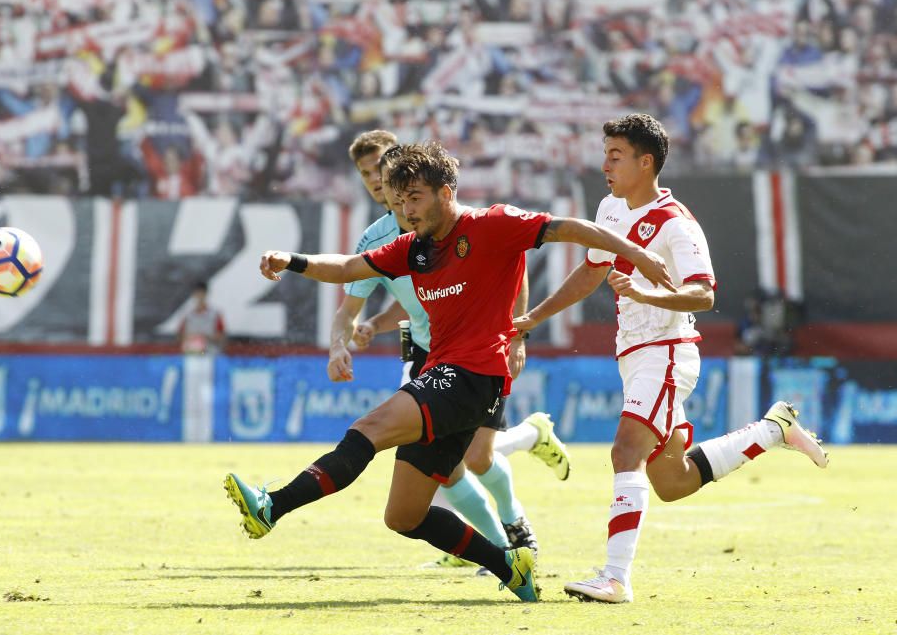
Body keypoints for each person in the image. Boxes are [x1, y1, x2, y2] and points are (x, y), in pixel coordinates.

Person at [224, 141, 674, 602]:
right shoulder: (412, 248)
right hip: (449, 373)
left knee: (370, 428)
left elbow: (573, 229)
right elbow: (348, 267)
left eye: (414, 198)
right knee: (403, 516)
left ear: (445, 191)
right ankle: (509, 564)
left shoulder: (492, 224)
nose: (407, 211)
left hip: (474, 373)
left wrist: (635, 254)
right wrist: (292, 261)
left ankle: (272, 506)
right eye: (399, 202)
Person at [513, 113, 829, 604]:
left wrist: (646, 293)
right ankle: (773, 430)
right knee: (673, 481)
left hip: (667, 352)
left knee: (624, 452)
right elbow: (590, 272)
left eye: (615, 156)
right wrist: (532, 319)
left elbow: (702, 295)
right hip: (634, 356)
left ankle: (615, 578)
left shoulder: (677, 224)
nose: (605, 165)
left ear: (646, 162)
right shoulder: (611, 210)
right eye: (605, 155)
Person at [333, 133, 573, 571]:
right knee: (453, 467)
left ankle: (512, 522)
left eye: (381, 168)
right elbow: (372, 301)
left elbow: (508, 269)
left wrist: (516, 334)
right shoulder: (377, 237)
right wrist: (357, 332)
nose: (374, 179)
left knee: (477, 456)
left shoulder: (449, 220)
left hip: (479, 352)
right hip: (425, 355)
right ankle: (497, 547)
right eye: (365, 173)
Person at [178, 281, 225, 354]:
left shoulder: (214, 314)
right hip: (191, 353)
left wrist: (205, 338)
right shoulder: (187, 314)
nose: (199, 296)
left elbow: (221, 336)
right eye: (197, 293)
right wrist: (192, 339)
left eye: (202, 293)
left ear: (206, 294)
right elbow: (180, 335)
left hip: (210, 353)